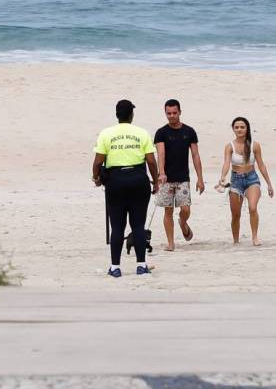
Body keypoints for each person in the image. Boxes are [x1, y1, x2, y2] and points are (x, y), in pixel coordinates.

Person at [92, 99, 159, 277]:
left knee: (117, 226)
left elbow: (98, 161)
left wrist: (97, 178)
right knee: (138, 225)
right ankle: (141, 265)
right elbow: (151, 161)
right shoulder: (142, 133)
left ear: (116, 115)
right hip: (138, 178)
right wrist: (156, 180)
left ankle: (115, 267)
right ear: (131, 115)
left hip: (116, 180)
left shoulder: (106, 134)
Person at [154, 99, 205, 251]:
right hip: (166, 179)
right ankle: (171, 243)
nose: (171, 116)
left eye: (174, 113)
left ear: (180, 112)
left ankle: (183, 223)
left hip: (183, 178)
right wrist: (161, 173)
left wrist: (200, 179)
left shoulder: (189, 131)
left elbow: (195, 155)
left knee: (186, 209)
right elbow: (160, 153)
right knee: (167, 210)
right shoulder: (161, 132)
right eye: (168, 113)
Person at [216, 116, 274, 247]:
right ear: (233, 129)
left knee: (253, 208)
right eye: (236, 127)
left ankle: (254, 237)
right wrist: (222, 177)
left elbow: (261, 165)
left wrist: (269, 183)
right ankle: (236, 240)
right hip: (235, 180)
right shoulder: (229, 146)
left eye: (242, 127)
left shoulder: (255, 145)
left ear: (247, 129)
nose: (239, 129)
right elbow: (226, 163)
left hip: (252, 179)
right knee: (235, 214)